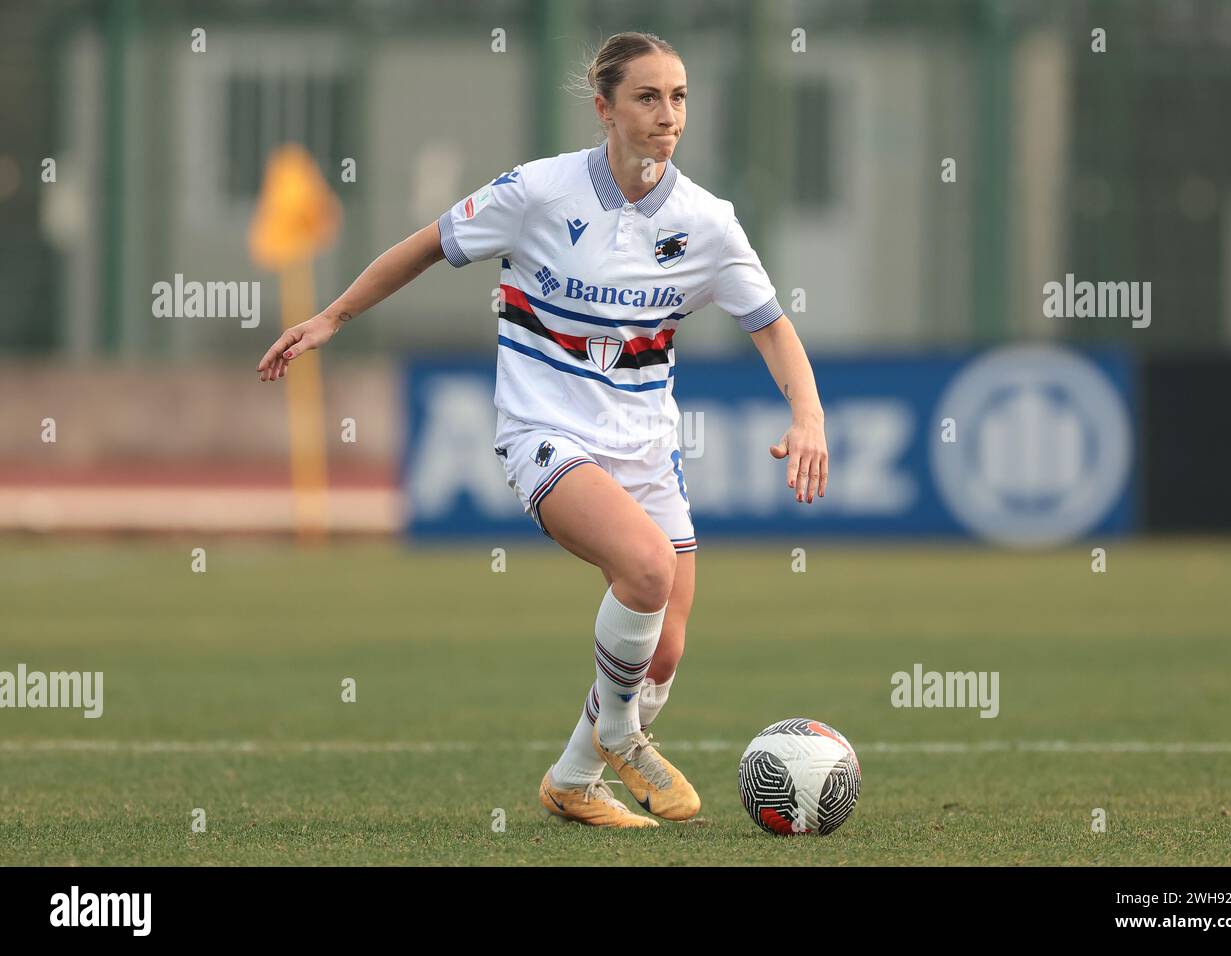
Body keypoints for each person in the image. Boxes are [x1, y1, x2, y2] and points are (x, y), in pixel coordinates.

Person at [257, 31, 829, 828]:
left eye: (680, 97)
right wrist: (330, 316)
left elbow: (770, 326)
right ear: (604, 108)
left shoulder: (707, 223)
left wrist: (808, 412)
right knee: (646, 568)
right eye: (647, 97)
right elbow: (426, 246)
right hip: (543, 432)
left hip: (645, 446)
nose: (668, 115)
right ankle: (625, 737)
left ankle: (572, 778)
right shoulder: (536, 192)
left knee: (662, 651)